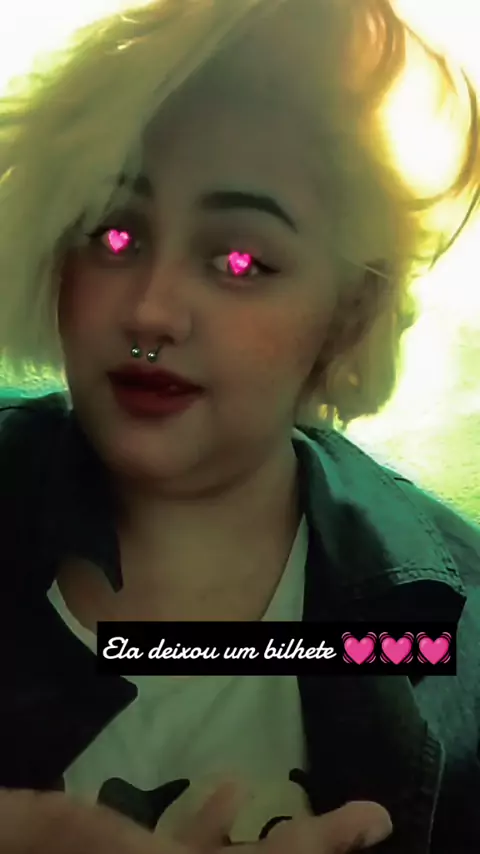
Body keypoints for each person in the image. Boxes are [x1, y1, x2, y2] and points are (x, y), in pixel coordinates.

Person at [0, 0, 479, 852]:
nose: (152, 311)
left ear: (346, 313)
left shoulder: (454, 626)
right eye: (113, 234)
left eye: (241, 259)